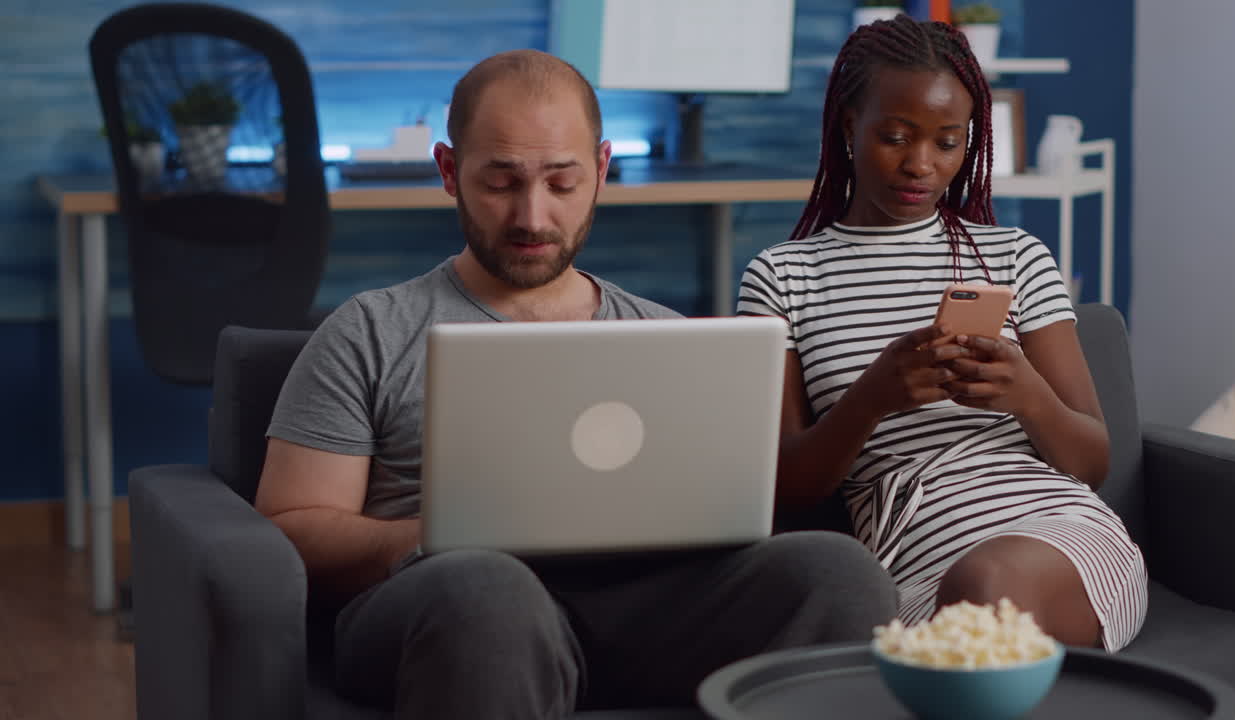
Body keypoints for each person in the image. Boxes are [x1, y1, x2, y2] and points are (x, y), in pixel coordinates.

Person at [254, 49, 897, 718]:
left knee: (837, 572)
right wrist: (441, 535)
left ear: (601, 170)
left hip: (651, 611)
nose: (532, 216)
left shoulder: (666, 337)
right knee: (487, 587)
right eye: (501, 183)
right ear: (449, 171)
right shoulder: (370, 330)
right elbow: (292, 528)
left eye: (561, 183)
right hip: (447, 604)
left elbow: (727, 516)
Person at [737, 16, 1148, 651]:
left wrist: (1027, 394)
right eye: (895, 137)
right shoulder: (782, 277)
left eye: (948, 143)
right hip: (907, 562)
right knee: (967, 603)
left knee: (984, 583)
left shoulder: (1015, 256)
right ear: (850, 127)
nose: (921, 165)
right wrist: (873, 395)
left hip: (1055, 536)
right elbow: (786, 485)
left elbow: (1092, 462)